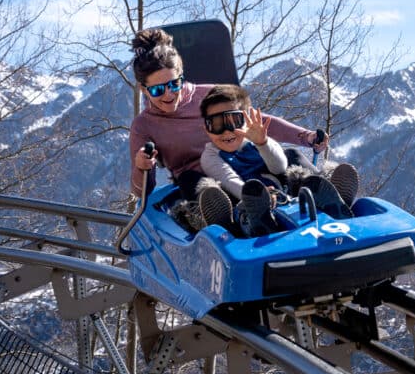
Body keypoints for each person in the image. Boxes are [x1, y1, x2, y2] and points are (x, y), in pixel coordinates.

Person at [128, 27, 350, 232]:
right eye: (157, 90)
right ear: (143, 89)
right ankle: (229, 218)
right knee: (189, 180)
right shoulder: (144, 125)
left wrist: (306, 137)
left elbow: (256, 121)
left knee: (290, 155)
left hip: (245, 163)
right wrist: (142, 167)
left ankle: (330, 197)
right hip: (208, 182)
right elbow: (141, 192)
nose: (168, 94)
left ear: (181, 76)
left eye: (174, 84)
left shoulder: (210, 95)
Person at [198, 84, 359, 237]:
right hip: (251, 204)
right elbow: (229, 179)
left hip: (287, 198)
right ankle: (257, 225)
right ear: (206, 128)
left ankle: (333, 200)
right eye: (217, 124)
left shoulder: (257, 139)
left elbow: (280, 167)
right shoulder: (210, 156)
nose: (227, 131)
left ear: (247, 121)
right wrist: (256, 196)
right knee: (237, 203)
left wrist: (262, 143)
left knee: (292, 155)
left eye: (235, 122)